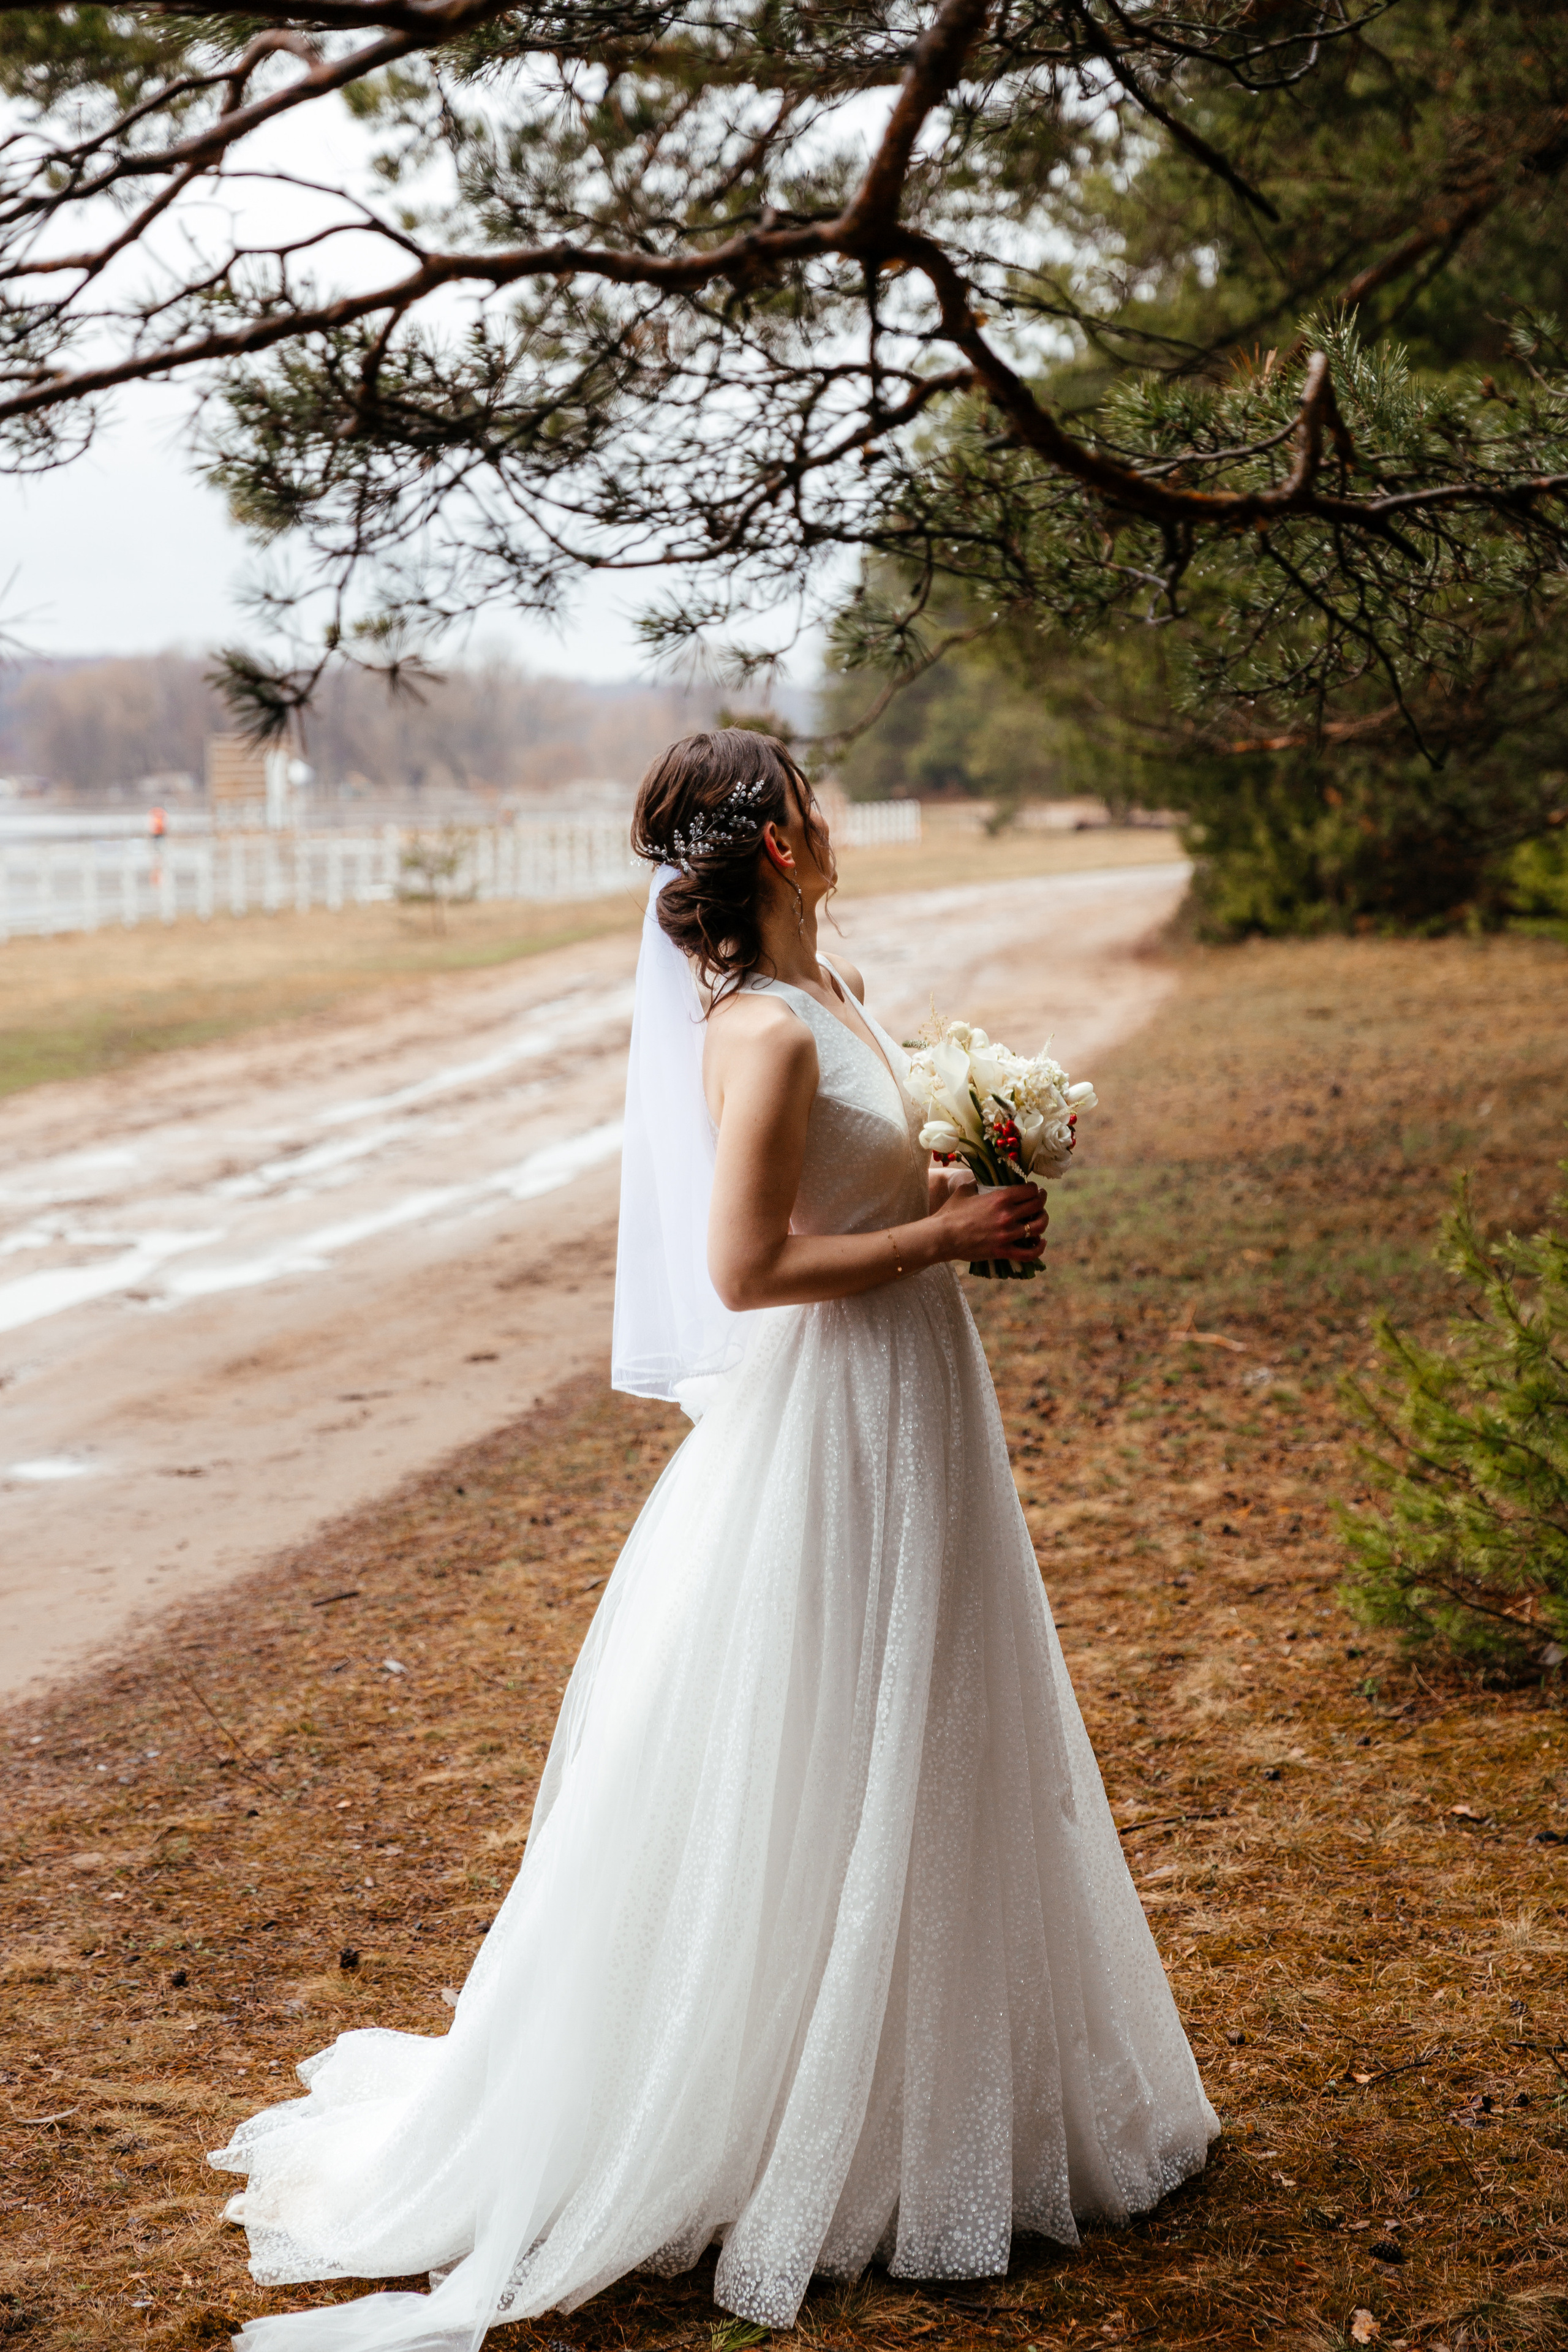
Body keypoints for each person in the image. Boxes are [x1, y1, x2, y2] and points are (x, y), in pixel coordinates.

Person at [212, 730, 1218, 2352]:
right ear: (777, 847)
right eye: (811, 801)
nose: (832, 814)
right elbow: (747, 1269)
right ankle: (785, 2107)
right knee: (821, 1720)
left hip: (921, 1391)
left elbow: (851, 1183)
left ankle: (947, 2087)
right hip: (837, 1410)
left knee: (935, 1712)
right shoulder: (754, 1031)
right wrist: (940, 1233)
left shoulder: (839, 991)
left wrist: (966, 1173)